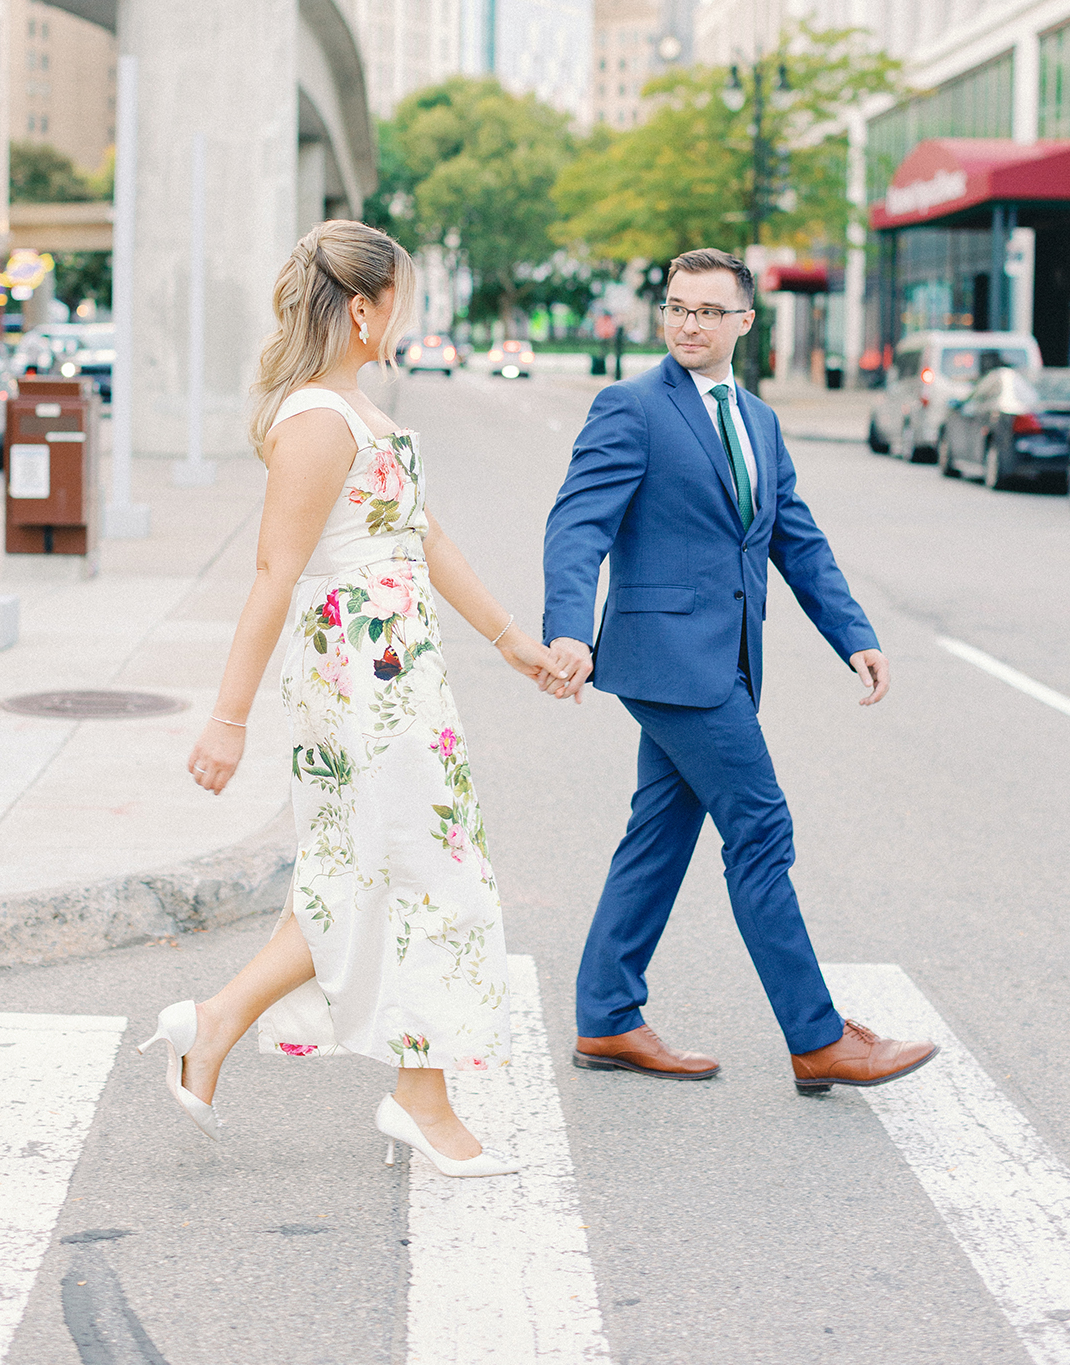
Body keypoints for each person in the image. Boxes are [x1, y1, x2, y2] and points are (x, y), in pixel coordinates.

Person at [140, 220, 563, 1176]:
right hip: (357, 684)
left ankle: (215, 1026)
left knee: (364, 874)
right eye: (400, 302)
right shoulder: (315, 423)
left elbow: (429, 535)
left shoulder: (362, 410)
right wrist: (228, 719)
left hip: (401, 671)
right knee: (425, 870)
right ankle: (422, 1100)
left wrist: (511, 644)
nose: (404, 320)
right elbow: (272, 574)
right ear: (364, 307)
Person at [542, 247, 938, 1094]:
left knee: (660, 833)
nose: (687, 323)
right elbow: (578, 525)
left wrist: (852, 633)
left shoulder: (757, 419)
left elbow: (794, 534)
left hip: (725, 661)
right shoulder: (632, 407)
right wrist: (569, 629)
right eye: (677, 307)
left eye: (707, 311)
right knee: (761, 832)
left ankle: (608, 1016)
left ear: (743, 323)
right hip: (667, 662)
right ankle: (818, 1036)